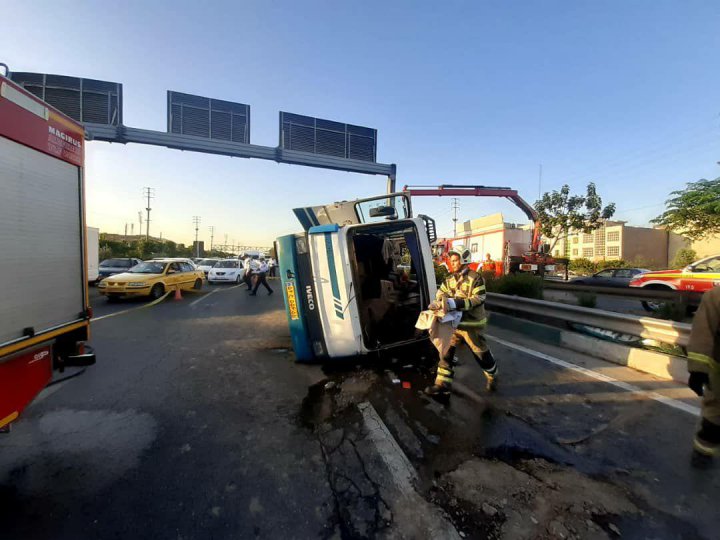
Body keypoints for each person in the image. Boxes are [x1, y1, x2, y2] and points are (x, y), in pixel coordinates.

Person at [425, 247, 498, 397]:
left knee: (480, 354)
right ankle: (442, 385)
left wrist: (456, 304)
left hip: (471, 325)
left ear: (464, 259)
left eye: (455, 260)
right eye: (451, 261)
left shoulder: (476, 278)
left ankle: (493, 375)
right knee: (445, 353)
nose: (452, 263)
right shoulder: (450, 278)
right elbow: (441, 292)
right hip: (454, 324)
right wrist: (438, 302)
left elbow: (479, 298)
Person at [687, 286, 720, 463]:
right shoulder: (715, 297)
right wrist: (698, 370)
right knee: (714, 418)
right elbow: (702, 334)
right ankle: (703, 452)